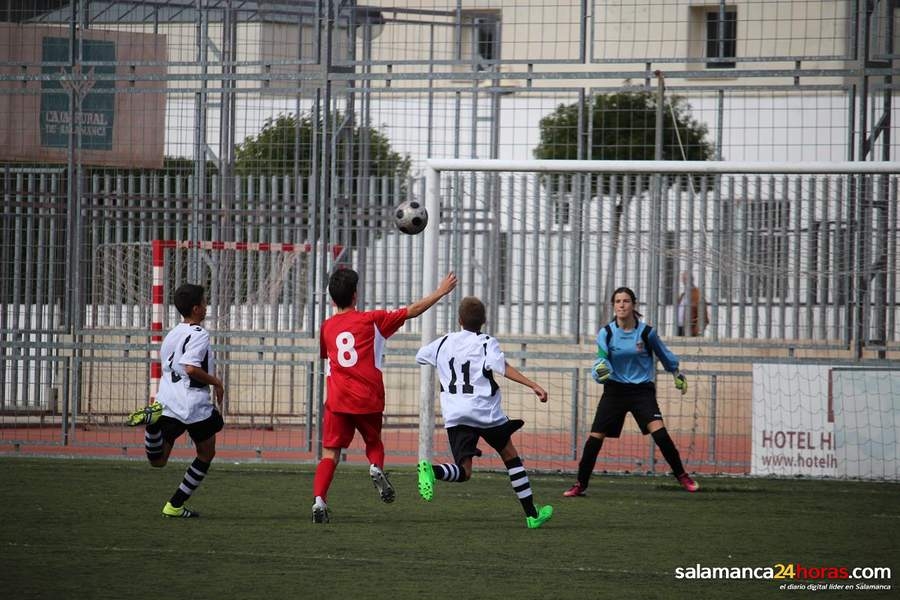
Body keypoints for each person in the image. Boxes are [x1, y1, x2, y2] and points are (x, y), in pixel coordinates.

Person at [312, 268, 458, 524]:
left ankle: (319, 500)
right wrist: (440, 291)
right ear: (355, 295)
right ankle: (376, 467)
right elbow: (411, 311)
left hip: (337, 400)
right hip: (368, 397)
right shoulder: (373, 320)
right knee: (374, 443)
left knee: (329, 453)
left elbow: (328, 357)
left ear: (333, 300)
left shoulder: (326, 327)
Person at [415, 296, 554, 529]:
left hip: (456, 415)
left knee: (464, 471)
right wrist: (533, 385)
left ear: (459, 319)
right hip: (485, 412)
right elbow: (503, 368)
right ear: (484, 321)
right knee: (510, 455)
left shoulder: (443, 343)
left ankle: (433, 470)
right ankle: (531, 515)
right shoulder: (487, 343)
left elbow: (420, 356)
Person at [563, 286, 699, 497]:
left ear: (633, 305)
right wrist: (598, 371)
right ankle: (580, 484)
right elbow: (601, 359)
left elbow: (664, 355)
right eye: (617, 301)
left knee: (661, 434)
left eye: (626, 301)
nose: (621, 305)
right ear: (613, 306)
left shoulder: (646, 332)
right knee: (594, 439)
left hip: (641, 392)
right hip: (614, 391)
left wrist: (676, 374)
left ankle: (683, 476)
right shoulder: (606, 333)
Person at [126, 283, 225, 518]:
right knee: (206, 453)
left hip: (167, 400)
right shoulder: (200, 334)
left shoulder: (173, 333)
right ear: (196, 308)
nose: (206, 305)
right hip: (192, 404)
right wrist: (217, 382)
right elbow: (190, 368)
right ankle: (175, 505)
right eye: (203, 302)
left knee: (158, 461)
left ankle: (152, 427)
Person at [677, 271, 708, 337]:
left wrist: (696, 332)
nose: (684, 282)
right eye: (683, 279)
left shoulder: (697, 294)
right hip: (679, 329)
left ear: (692, 279)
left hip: (691, 330)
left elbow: (704, 316)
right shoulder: (683, 295)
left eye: (686, 279)